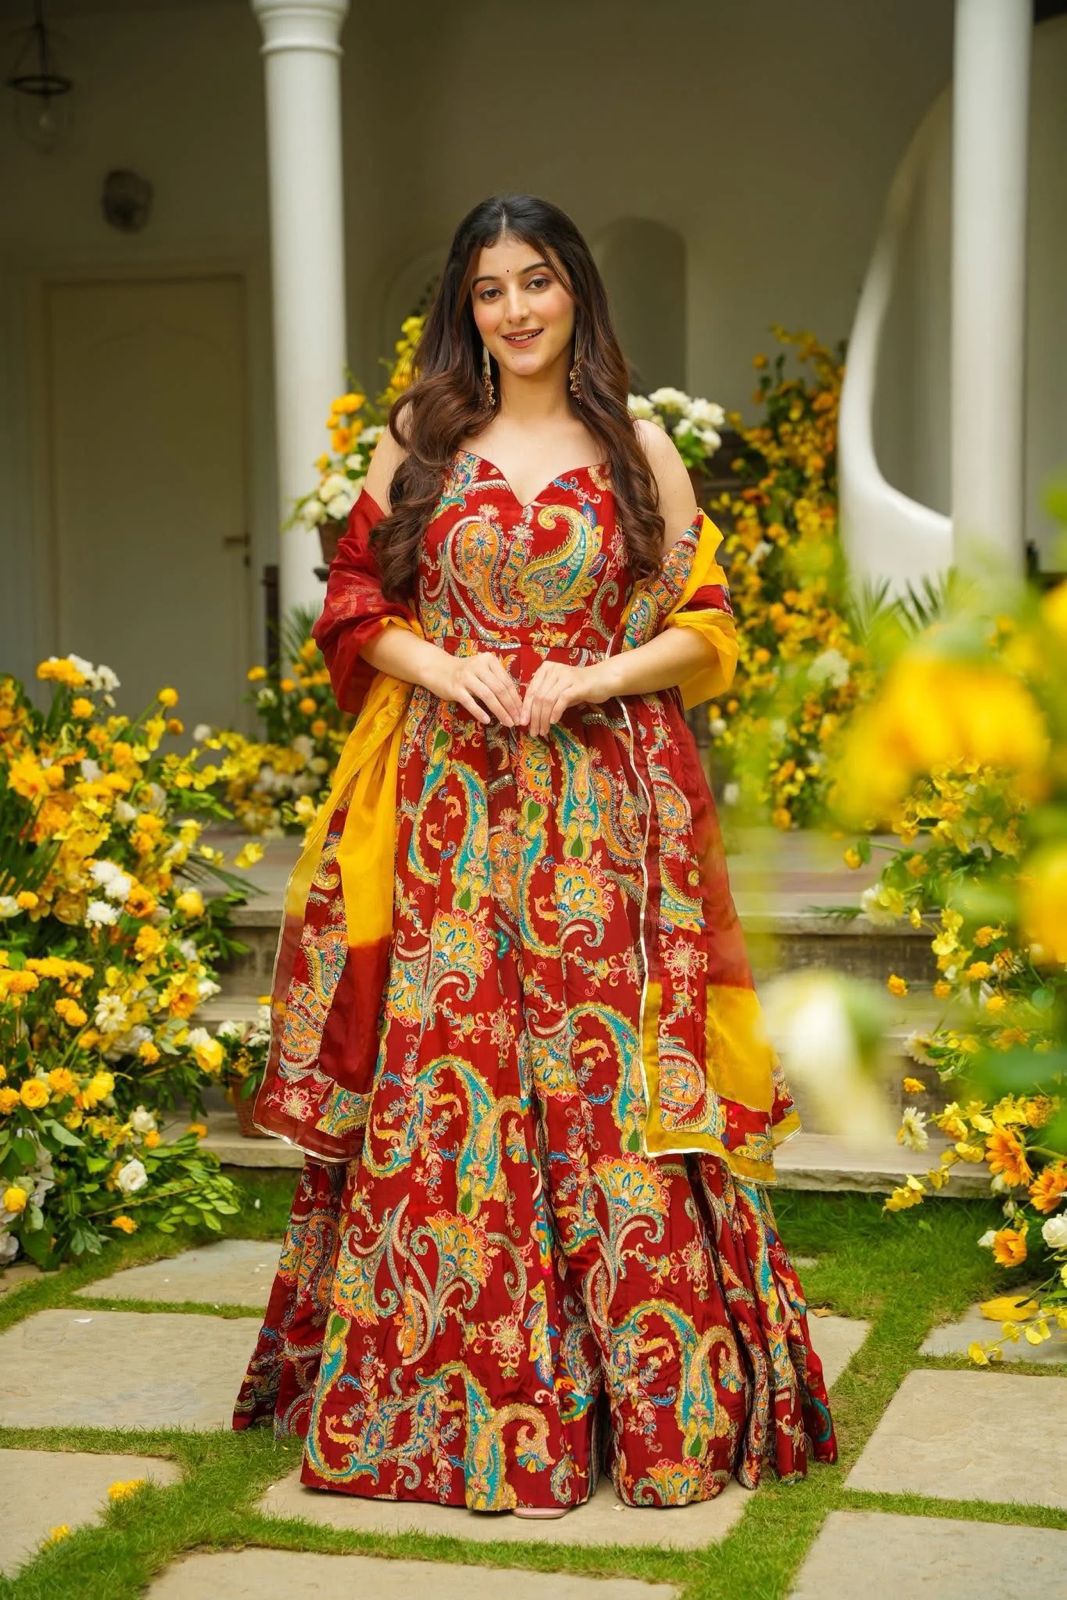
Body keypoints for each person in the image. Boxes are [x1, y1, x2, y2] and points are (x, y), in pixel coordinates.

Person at [232, 193, 839, 1517]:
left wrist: (599, 673)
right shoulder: (418, 443)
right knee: (455, 1076)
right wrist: (443, 662)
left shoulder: (639, 450)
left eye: (539, 281)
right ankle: (448, 1405)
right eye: (491, 288)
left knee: (610, 1080)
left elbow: (713, 625)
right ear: (465, 306)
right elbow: (349, 604)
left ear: (577, 296)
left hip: (601, 813)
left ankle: (651, 1402)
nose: (515, 309)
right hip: (448, 806)